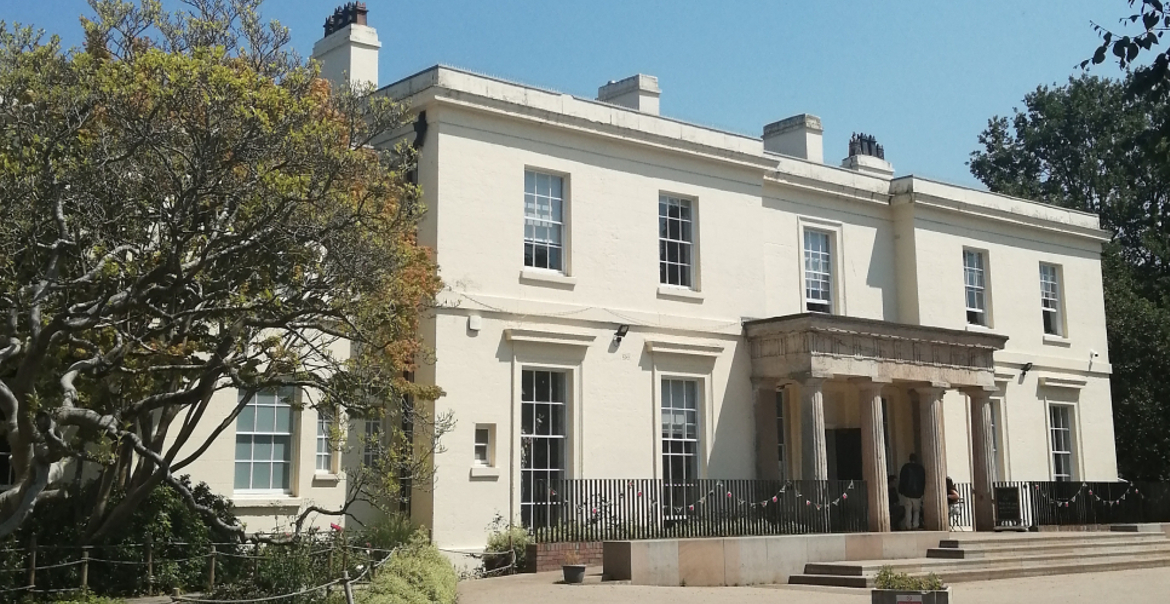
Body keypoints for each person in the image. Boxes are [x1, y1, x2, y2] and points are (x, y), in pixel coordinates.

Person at [898, 453, 926, 529]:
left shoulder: (905, 467)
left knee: (908, 510)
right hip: (918, 493)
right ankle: (915, 524)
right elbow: (923, 481)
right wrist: (922, 491)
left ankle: (908, 525)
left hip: (907, 492)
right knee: (916, 510)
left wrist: (901, 490)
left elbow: (902, 479)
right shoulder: (920, 468)